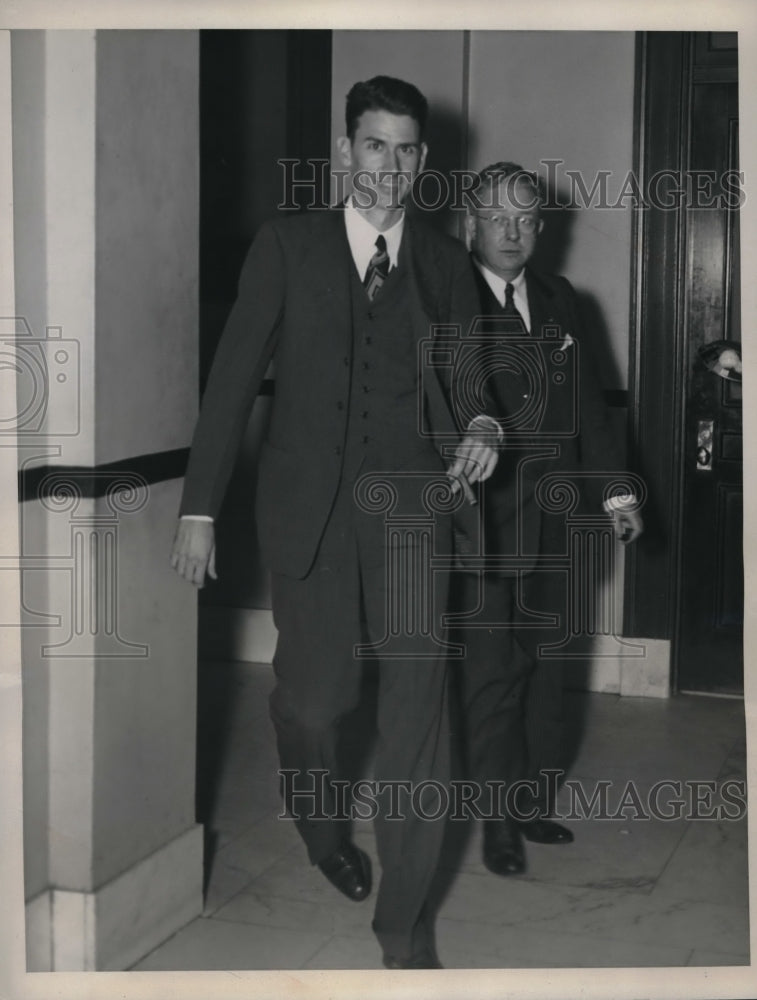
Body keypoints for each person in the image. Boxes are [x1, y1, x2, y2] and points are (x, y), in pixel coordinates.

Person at [170, 76, 498, 969]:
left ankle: (403, 933)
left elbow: (471, 386)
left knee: (418, 727)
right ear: (344, 153)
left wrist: (481, 425)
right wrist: (198, 507)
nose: (389, 165)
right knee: (318, 704)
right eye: (373, 145)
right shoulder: (286, 246)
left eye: (405, 149)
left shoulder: (442, 262)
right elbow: (232, 382)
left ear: (422, 162)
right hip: (308, 520)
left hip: (412, 524)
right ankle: (321, 827)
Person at [454, 161, 643, 876]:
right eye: (497, 217)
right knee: (494, 673)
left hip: (557, 524)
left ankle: (530, 803)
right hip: (484, 528)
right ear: (469, 222)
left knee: (544, 668)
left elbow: (590, 411)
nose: (512, 231)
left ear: (541, 228)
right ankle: (497, 819)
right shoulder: (448, 297)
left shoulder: (562, 300)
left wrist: (616, 495)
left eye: (526, 219)